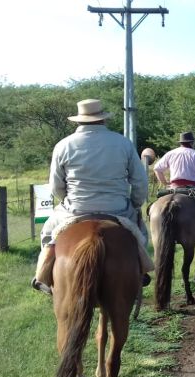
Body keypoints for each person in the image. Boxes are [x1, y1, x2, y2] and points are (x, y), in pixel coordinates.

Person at [31, 98, 154, 294]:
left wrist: (66, 201)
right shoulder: (123, 143)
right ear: (103, 119)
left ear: (79, 120)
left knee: (48, 233)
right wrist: (135, 204)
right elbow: (139, 183)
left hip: (75, 209)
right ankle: (140, 270)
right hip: (117, 208)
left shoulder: (63, 145)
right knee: (140, 233)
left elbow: (56, 186)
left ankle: (43, 276)